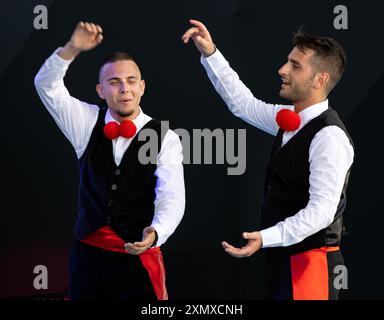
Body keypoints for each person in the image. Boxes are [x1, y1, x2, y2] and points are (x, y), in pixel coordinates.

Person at [182, 19, 354, 300]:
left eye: (295, 66)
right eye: (288, 61)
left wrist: (266, 236)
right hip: (285, 260)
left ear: (320, 80)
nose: (282, 70)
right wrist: (210, 53)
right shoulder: (290, 120)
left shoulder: (329, 137)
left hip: (310, 266)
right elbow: (243, 104)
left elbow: (322, 211)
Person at [34, 21, 185, 300]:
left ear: (142, 87)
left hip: (135, 260)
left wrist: (157, 232)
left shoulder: (165, 137)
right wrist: (71, 50)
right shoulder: (85, 121)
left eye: (130, 82)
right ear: (101, 90)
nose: (123, 89)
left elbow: (172, 197)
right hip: (87, 258)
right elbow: (46, 85)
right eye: (114, 82)